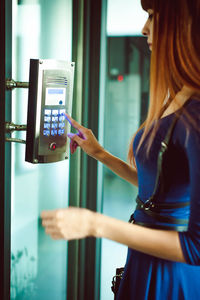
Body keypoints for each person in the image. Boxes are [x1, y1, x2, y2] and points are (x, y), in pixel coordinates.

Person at [41, 0, 200, 299]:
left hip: (172, 274)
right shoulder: (178, 96)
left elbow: (197, 247)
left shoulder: (197, 112)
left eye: (153, 17)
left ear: (185, 26)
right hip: (144, 259)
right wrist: (100, 153)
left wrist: (94, 224)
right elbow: (160, 190)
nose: (144, 29)